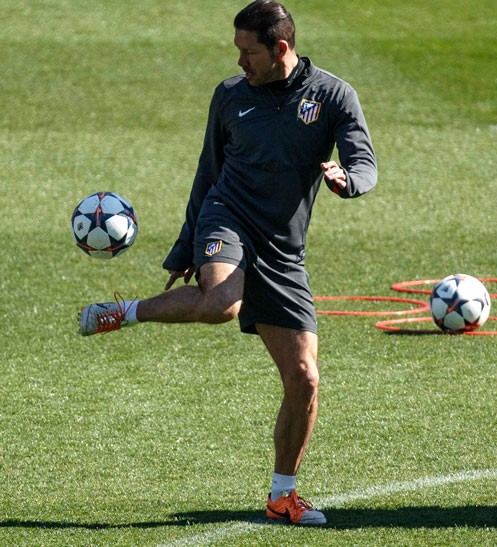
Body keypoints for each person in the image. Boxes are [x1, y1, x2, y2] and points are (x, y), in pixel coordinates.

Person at [78, 0, 376, 526]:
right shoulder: (230, 95)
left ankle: (282, 496)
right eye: (237, 49)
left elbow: (363, 160)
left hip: (283, 249)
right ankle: (122, 312)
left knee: (304, 379)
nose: (239, 61)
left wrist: (348, 181)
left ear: (280, 48)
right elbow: (208, 171)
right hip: (227, 216)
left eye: (249, 51)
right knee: (221, 304)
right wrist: (183, 246)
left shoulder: (332, 95)